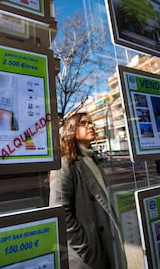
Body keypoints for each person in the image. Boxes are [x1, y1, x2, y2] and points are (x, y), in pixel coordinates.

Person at [49, 113, 127, 269]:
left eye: (91, 123)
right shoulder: (65, 164)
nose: (90, 126)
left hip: (105, 249)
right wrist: (87, 251)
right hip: (88, 259)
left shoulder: (93, 160)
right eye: (83, 123)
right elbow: (61, 213)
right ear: (71, 129)